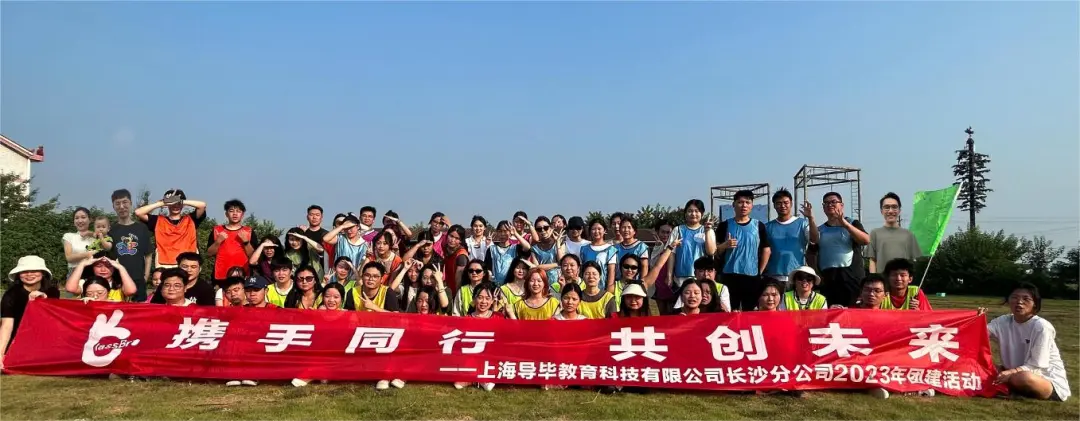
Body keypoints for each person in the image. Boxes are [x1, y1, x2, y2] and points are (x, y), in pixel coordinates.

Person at [985, 283, 1070, 402]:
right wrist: (977, 318)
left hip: (1044, 379)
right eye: (1014, 297)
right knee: (986, 368)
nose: (1019, 302)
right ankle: (1010, 384)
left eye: (1026, 299)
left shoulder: (1041, 327)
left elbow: (1036, 365)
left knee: (1022, 378)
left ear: (1035, 303)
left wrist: (1012, 372)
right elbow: (981, 333)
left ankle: (1012, 385)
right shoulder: (1003, 321)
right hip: (1013, 371)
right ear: (1008, 300)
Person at [715, 190, 771, 311]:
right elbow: (715, 251)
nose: (744, 205)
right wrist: (725, 245)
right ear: (733, 204)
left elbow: (766, 249)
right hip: (729, 275)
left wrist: (759, 272)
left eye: (747, 202)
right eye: (740, 202)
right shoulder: (724, 225)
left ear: (752, 205)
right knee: (729, 311)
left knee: (750, 312)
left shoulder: (759, 225)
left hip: (752, 276)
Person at [1, 256, 60, 369]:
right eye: (24, 271)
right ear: (19, 274)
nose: (29, 274)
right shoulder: (11, 295)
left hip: (45, 340)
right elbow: (6, 326)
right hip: (18, 340)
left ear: (43, 273)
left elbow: (55, 319)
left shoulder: (53, 292)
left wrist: (44, 300)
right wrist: (0, 353)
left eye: (34, 271)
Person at [812, 192, 869, 307]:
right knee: (831, 312)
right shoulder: (820, 229)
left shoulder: (853, 223)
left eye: (833, 202)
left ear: (841, 205)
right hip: (829, 279)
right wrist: (816, 273)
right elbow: (811, 253)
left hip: (851, 277)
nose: (830, 205)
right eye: (826, 203)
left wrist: (845, 224)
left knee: (854, 311)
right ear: (823, 207)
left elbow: (866, 240)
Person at [134, 189, 207, 268]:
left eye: (178, 203)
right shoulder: (157, 220)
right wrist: (162, 203)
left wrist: (180, 200)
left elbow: (202, 205)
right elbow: (138, 212)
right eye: (172, 203)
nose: (175, 206)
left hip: (188, 263)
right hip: (164, 264)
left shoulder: (192, 219)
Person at [764, 188, 817, 289]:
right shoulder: (767, 227)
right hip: (773, 277)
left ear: (791, 203)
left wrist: (811, 218)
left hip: (796, 276)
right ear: (774, 206)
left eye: (786, 202)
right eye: (779, 203)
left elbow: (814, 239)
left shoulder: (803, 224)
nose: (782, 205)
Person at [107, 189, 153, 301]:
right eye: (117, 203)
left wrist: (146, 276)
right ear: (113, 206)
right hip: (117, 280)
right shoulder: (111, 230)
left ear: (131, 203)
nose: (122, 206)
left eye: (125, 202)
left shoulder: (141, 228)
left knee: (138, 309)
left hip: (138, 278)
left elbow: (148, 254)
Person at [666, 199, 716, 291]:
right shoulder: (678, 230)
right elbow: (671, 254)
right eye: (690, 211)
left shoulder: (708, 231)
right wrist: (669, 275)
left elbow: (711, 252)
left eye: (697, 211)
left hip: (702, 277)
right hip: (680, 279)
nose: (693, 214)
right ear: (685, 213)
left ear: (702, 213)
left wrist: (707, 232)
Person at [869, 192, 922, 273]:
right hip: (882, 279)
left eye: (894, 207)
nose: (890, 211)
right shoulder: (875, 233)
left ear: (899, 210)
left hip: (902, 279)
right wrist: (873, 278)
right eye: (886, 207)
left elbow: (914, 262)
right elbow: (872, 260)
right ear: (881, 211)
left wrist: (911, 277)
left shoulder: (909, 235)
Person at [205, 199, 255, 288]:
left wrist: (246, 242)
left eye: (238, 211)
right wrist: (218, 242)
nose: (235, 214)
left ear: (242, 214)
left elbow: (253, 257)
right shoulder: (217, 230)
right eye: (231, 211)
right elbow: (209, 253)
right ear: (226, 214)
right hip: (221, 275)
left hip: (243, 274)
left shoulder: (249, 231)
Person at [149, 252, 215, 306]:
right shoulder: (165, 286)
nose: (189, 270)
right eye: (185, 266)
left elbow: (208, 312)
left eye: (193, 267)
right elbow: (154, 308)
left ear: (200, 269)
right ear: (178, 266)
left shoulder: (206, 289)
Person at [64, 256, 137, 301]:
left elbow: (131, 291)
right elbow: (70, 288)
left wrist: (121, 267)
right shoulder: (85, 282)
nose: (103, 270)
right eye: (98, 266)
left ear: (114, 267)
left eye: (108, 266)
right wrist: (82, 264)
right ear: (92, 267)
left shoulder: (120, 283)